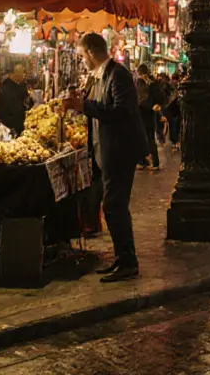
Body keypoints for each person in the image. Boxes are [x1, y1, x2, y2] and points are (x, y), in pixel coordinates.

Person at [62, 33, 146, 282]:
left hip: (120, 151)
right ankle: (122, 258)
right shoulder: (99, 76)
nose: (82, 61)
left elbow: (122, 111)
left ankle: (128, 262)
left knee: (114, 206)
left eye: (81, 56)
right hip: (105, 151)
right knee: (111, 206)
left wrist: (83, 106)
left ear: (90, 52)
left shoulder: (117, 75)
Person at [134, 64, 163, 170]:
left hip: (145, 113)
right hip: (145, 112)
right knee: (143, 137)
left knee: (147, 137)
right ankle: (143, 161)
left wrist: (154, 105)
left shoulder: (145, 83)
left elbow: (142, 98)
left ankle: (152, 162)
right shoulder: (145, 82)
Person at [0, 62, 32, 135]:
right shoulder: (4, 88)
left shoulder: (22, 85)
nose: (24, 75)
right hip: (9, 127)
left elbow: (26, 101)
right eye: (23, 72)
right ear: (15, 73)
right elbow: (8, 108)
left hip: (22, 123)